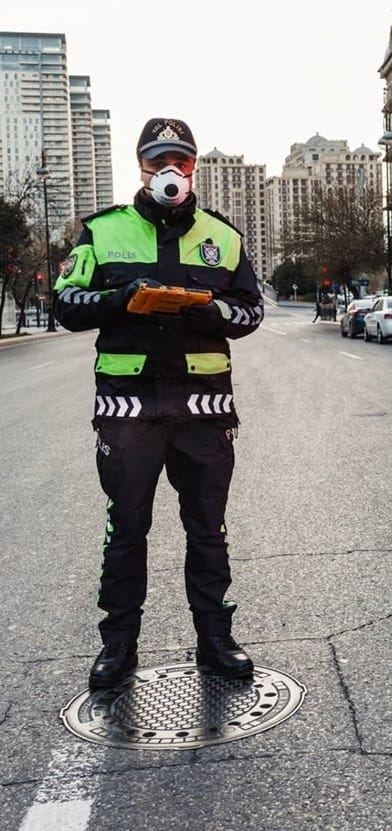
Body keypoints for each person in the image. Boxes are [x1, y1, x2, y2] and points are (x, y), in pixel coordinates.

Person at [53, 118, 264, 689]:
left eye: (182, 162)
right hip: (129, 410)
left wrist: (207, 310)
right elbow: (66, 304)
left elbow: (250, 311)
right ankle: (118, 646)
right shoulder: (102, 231)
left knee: (209, 528)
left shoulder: (224, 236)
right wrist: (123, 300)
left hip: (204, 411)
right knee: (126, 528)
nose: (170, 172)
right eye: (157, 162)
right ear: (141, 167)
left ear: (194, 167)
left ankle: (215, 640)